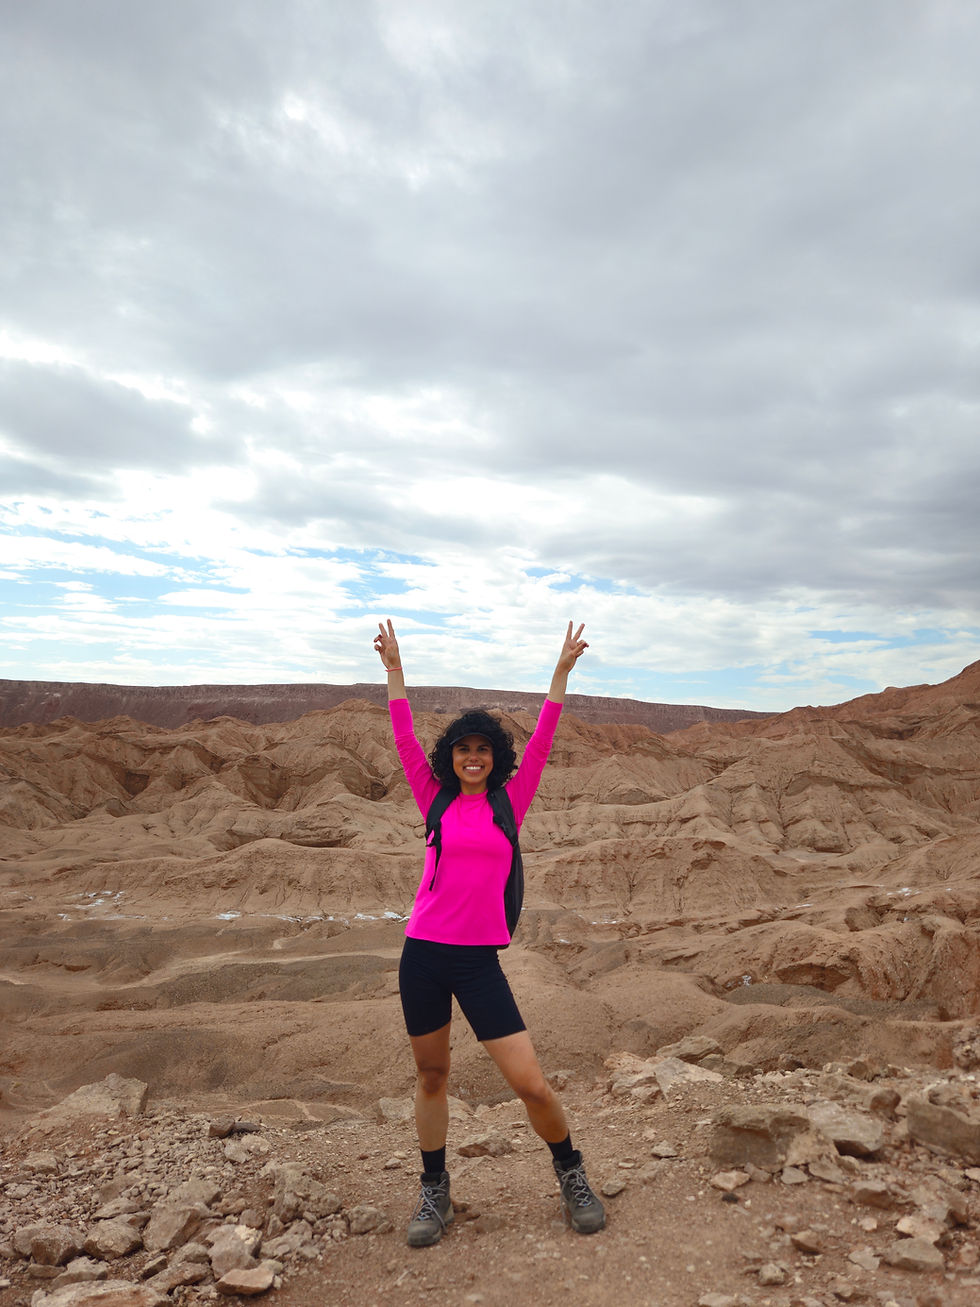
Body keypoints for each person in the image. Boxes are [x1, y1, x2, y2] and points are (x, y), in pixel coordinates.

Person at [372, 618, 606, 1246]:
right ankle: (435, 1189)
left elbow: (543, 742)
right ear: (451, 759)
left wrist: (560, 673)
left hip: (478, 964)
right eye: (461, 750)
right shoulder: (435, 800)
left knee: (529, 1082)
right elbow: (402, 738)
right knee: (431, 1077)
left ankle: (572, 1173)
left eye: (482, 750)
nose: (472, 757)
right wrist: (394, 671)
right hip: (422, 956)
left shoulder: (511, 799)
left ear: (493, 759)